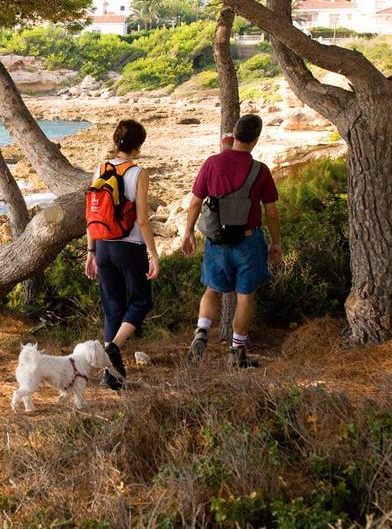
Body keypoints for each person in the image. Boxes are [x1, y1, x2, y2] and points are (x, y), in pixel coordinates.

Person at [180, 114, 282, 368]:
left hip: (216, 242)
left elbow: (195, 202)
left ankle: (201, 333)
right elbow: (271, 211)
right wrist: (276, 242)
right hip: (249, 241)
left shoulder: (212, 163)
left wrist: (188, 232)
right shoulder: (260, 170)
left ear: (234, 132)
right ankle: (236, 353)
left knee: (212, 289)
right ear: (256, 139)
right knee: (245, 296)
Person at [85, 119, 160, 390]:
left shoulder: (101, 168)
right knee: (141, 301)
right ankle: (114, 348)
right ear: (138, 145)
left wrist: (90, 251)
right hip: (129, 246)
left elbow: (92, 215)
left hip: (103, 245)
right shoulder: (138, 173)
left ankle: (111, 375)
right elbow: (142, 220)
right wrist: (153, 253)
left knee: (112, 306)